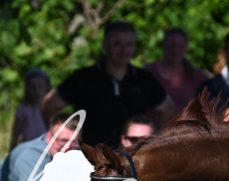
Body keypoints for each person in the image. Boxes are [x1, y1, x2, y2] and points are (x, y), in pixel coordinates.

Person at [41, 21, 176, 146]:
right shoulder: (84, 78)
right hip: (91, 157)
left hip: (131, 158)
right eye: (117, 44)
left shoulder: (143, 79)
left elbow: (168, 109)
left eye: (129, 44)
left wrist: (154, 143)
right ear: (105, 45)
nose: (124, 49)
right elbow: (49, 105)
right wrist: (62, 141)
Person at [143, 28, 210, 115]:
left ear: (186, 48)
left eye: (180, 46)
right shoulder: (148, 72)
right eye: (172, 46)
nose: (175, 50)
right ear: (163, 45)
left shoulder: (198, 76)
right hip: (152, 127)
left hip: (186, 128)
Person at [10, 68, 51, 151]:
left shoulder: (51, 109)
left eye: (40, 87)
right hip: (27, 150)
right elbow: (15, 136)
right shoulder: (23, 110)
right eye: (33, 88)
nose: (37, 91)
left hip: (45, 150)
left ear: (46, 87)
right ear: (27, 89)